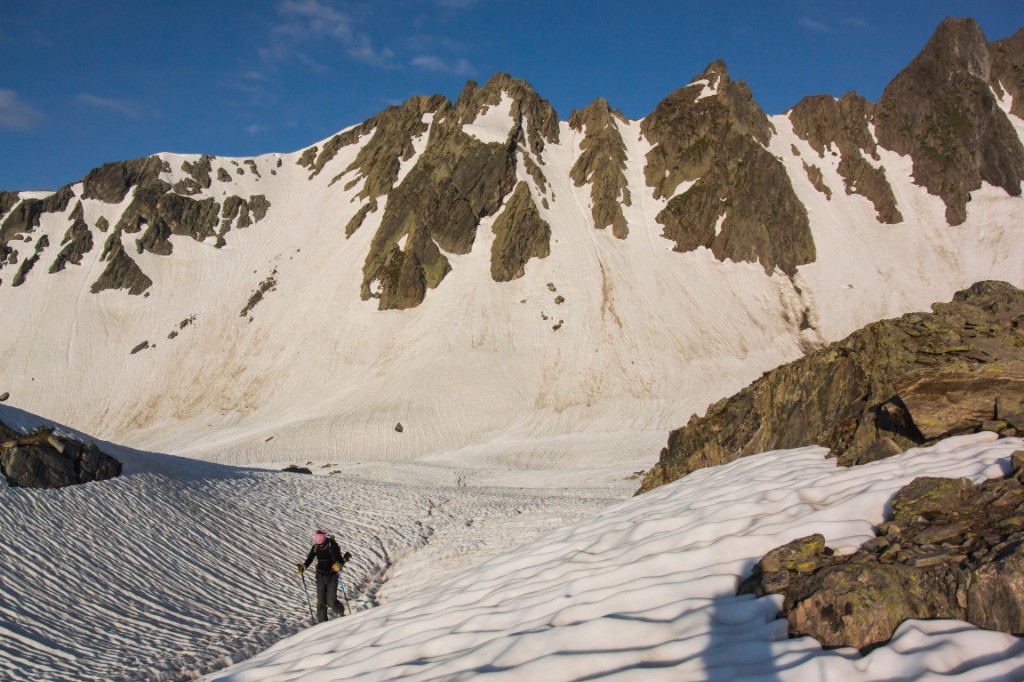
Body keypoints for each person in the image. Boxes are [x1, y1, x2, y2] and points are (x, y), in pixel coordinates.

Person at [297, 528, 349, 622]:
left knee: (331, 601)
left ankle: (340, 611)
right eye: (318, 544)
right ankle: (322, 624)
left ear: (324, 540)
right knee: (321, 602)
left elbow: (337, 557)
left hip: (332, 575)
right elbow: (310, 558)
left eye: (321, 544)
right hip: (320, 576)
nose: (320, 545)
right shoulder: (315, 547)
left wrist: (338, 565)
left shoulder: (331, 545)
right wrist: (303, 567)